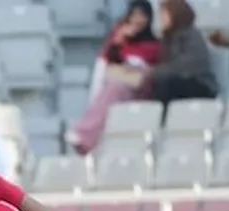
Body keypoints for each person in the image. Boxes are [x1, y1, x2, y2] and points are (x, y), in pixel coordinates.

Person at [70, 0, 163, 154]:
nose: (138, 20)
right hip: (120, 83)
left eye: (142, 16)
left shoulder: (155, 44)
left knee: (114, 87)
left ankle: (85, 134)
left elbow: (157, 69)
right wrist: (118, 39)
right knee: (111, 86)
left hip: (140, 86)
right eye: (134, 15)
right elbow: (106, 60)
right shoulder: (123, 42)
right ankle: (87, 138)